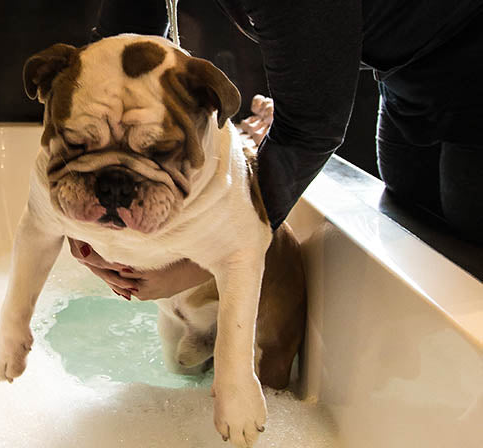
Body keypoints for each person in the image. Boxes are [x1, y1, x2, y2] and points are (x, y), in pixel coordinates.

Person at [74, 0, 483, 301]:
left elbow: (310, 127)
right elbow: (112, 51)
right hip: (408, 80)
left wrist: (203, 263)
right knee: (429, 260)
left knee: (466, 278)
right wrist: (73, 206)